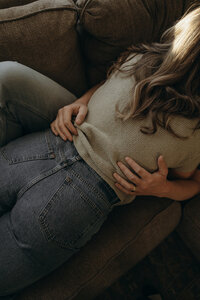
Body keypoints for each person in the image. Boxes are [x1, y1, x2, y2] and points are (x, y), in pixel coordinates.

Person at [0, 6, 200, 299]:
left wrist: (84, 100)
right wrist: (164, 187)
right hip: (76, 200)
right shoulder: (194, 132)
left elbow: (109, 87)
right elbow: (193, 184)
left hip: (45, 148)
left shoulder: (140, 59)